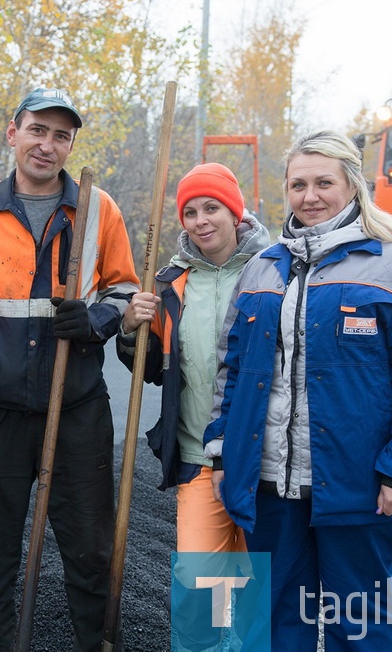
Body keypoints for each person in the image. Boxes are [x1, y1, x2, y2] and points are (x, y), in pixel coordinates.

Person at [204, 130, 392, 651]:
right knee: (274, 624)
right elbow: (231, 370)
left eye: (323, 183)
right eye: (298, 184)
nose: (310, 196)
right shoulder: (262, 267)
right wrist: (223, 453)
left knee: (358, 625)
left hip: (358, 485)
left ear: (352, 187)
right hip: (269, 484)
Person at [0, 87, 140, 651]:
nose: (47, 145)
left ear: (71, 145)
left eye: (61, 136)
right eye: (37, 131)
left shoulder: (99, 210)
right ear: (13, 133)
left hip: (76, 410)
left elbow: (126, 290)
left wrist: (97, 318)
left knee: (91, 552)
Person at [118, 163, 270, 649]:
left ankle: (244, 646)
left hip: (261, 458)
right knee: (202, 575)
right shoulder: (173, 284)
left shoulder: (274, 270)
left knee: (255, 575)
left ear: (235, 211)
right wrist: (130, 329)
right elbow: (153, 368)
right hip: (197, 453)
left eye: (212, 208)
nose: (202, 220)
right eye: (190, 211)